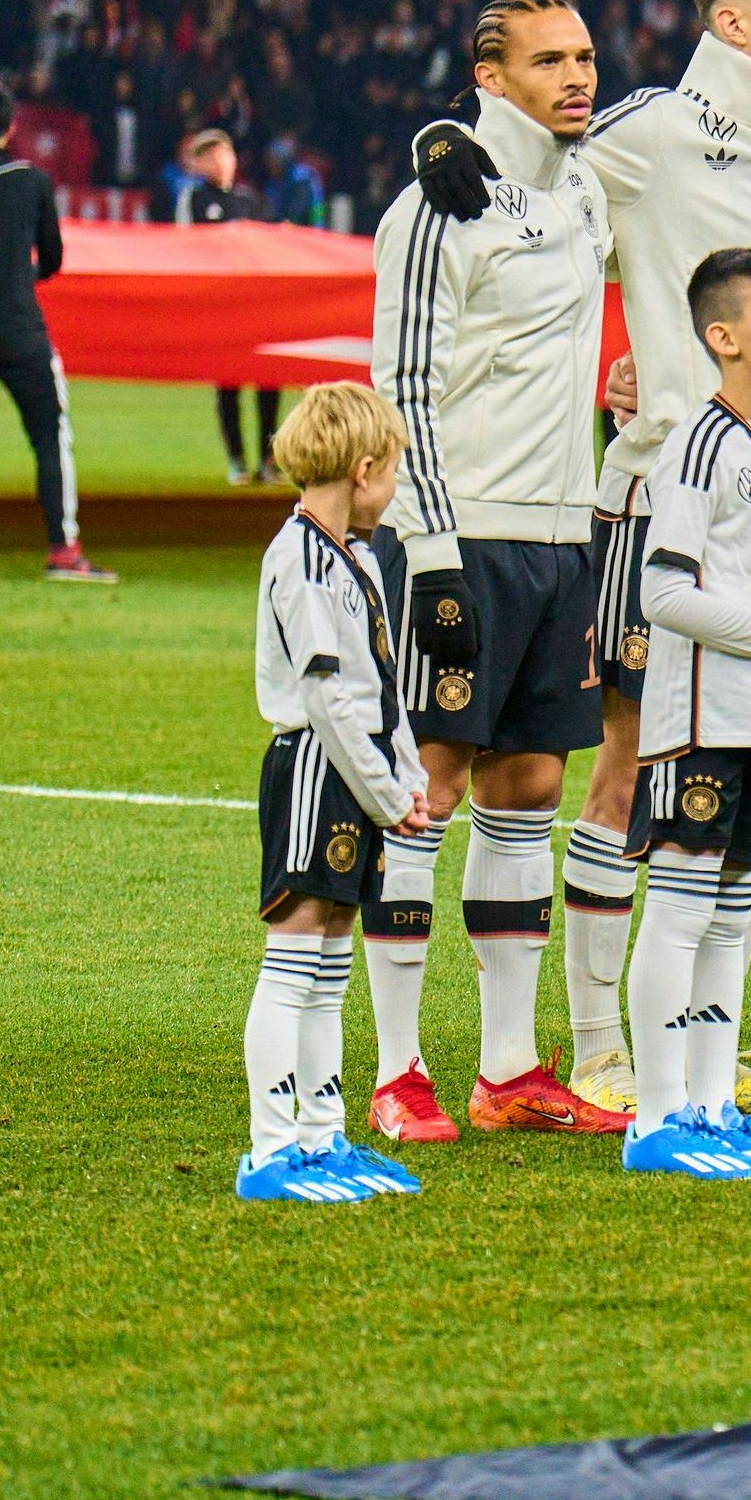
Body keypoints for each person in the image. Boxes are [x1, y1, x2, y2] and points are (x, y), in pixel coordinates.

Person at [568, 0, 751, 1122]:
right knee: (634, 770)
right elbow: (538, 231)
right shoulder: (645, 133)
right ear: (731, 25)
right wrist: (605, 368)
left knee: (749, 776)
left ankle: (703, 1051)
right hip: (663, 493)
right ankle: (594, 1048)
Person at [359, 0, 613, 1146]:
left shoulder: (590, 190)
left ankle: (508, 1071)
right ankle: (397, 1071)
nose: (575, 76)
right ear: (488, 73)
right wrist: (430, 553)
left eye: (585, 56)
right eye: (548, 60)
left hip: (565, 536)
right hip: (462, 534)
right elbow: (400, 386)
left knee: (528, 794)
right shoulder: (433, 205)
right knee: (425, 792)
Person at [621, 249, 751, 1180]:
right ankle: (657, 1117)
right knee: (678, 908)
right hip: (702, 715)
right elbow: (662, 591)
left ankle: (712, 1109)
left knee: (734, 914)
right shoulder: (700, 441)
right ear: (723, 336)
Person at [236, 383, 435, 1201]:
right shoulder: (303, 557)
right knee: (295, 954)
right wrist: (388, 792)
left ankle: (322, 1137)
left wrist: (408, 773)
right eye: (391, 473)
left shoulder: (354, 555)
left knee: (329, 963)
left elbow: (379, 683)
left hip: (355, 771)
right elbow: (327, 696)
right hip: (319, 767)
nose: (393, 491)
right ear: (361, 469)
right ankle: (273, 1148)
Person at [0, 76, 106, 582]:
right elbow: (53, 259)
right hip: (20, 332)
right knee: (49, 438)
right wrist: (20, 276)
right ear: (11, 127)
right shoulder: (33, 181)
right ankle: (62, 551)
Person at [180, 128, 285, 488]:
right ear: (199, 163)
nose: (219, 162)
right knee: (228, 383)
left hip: (256, 306)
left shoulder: (248, 200)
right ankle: (237, 460)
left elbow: (270, 246)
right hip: (220, 307)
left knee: (269, 378)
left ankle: (269, 459)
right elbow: (187, 246)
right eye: (210, 156)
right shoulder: (193, 198)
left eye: (224, 154)